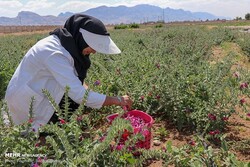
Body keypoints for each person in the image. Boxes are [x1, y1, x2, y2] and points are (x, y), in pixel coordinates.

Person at [4, 14, 133, 132]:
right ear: (81, 38)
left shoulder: (67, 45)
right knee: (36, 132)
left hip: (40, 91)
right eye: (93, 45)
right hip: (26, 103)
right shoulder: (54, 52)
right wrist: (117, 100)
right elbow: (78, 94)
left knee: (73, 102)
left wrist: (91, 94)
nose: (94, 51)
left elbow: (74, 81)